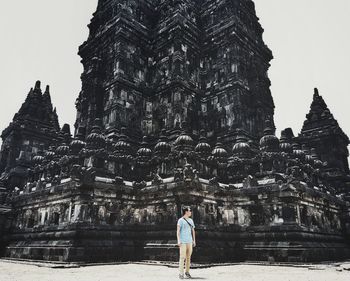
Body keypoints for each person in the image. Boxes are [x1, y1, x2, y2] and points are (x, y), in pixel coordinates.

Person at [177, 206, 196, 279]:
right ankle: (181, 273)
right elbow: (178, 231)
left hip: (189, 241)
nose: (190, 212)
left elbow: (193, 231)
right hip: (183, 241)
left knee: (188, 257)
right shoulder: (180, 220)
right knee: (182, 257)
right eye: (189, 211)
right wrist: (178, 240)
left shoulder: (191, 220)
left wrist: (194, 240)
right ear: (186, 212)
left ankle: (187, 272)